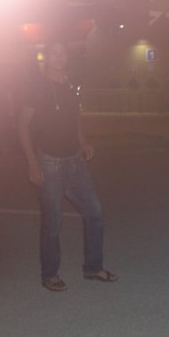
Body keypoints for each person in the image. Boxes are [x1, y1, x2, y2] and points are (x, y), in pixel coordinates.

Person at [17, 40, 117, 292]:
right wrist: (32, 163)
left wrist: (83, 143)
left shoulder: (70, 85)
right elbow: (22, 125)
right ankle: (49, 274)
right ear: (46, 58)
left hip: (75, 161)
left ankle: (93, 267)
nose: (59, 57)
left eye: (63, 53)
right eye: (54, 53)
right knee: (52, 222)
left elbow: (75, 118)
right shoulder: (37, 87)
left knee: (95, 213)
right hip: (49, 162)